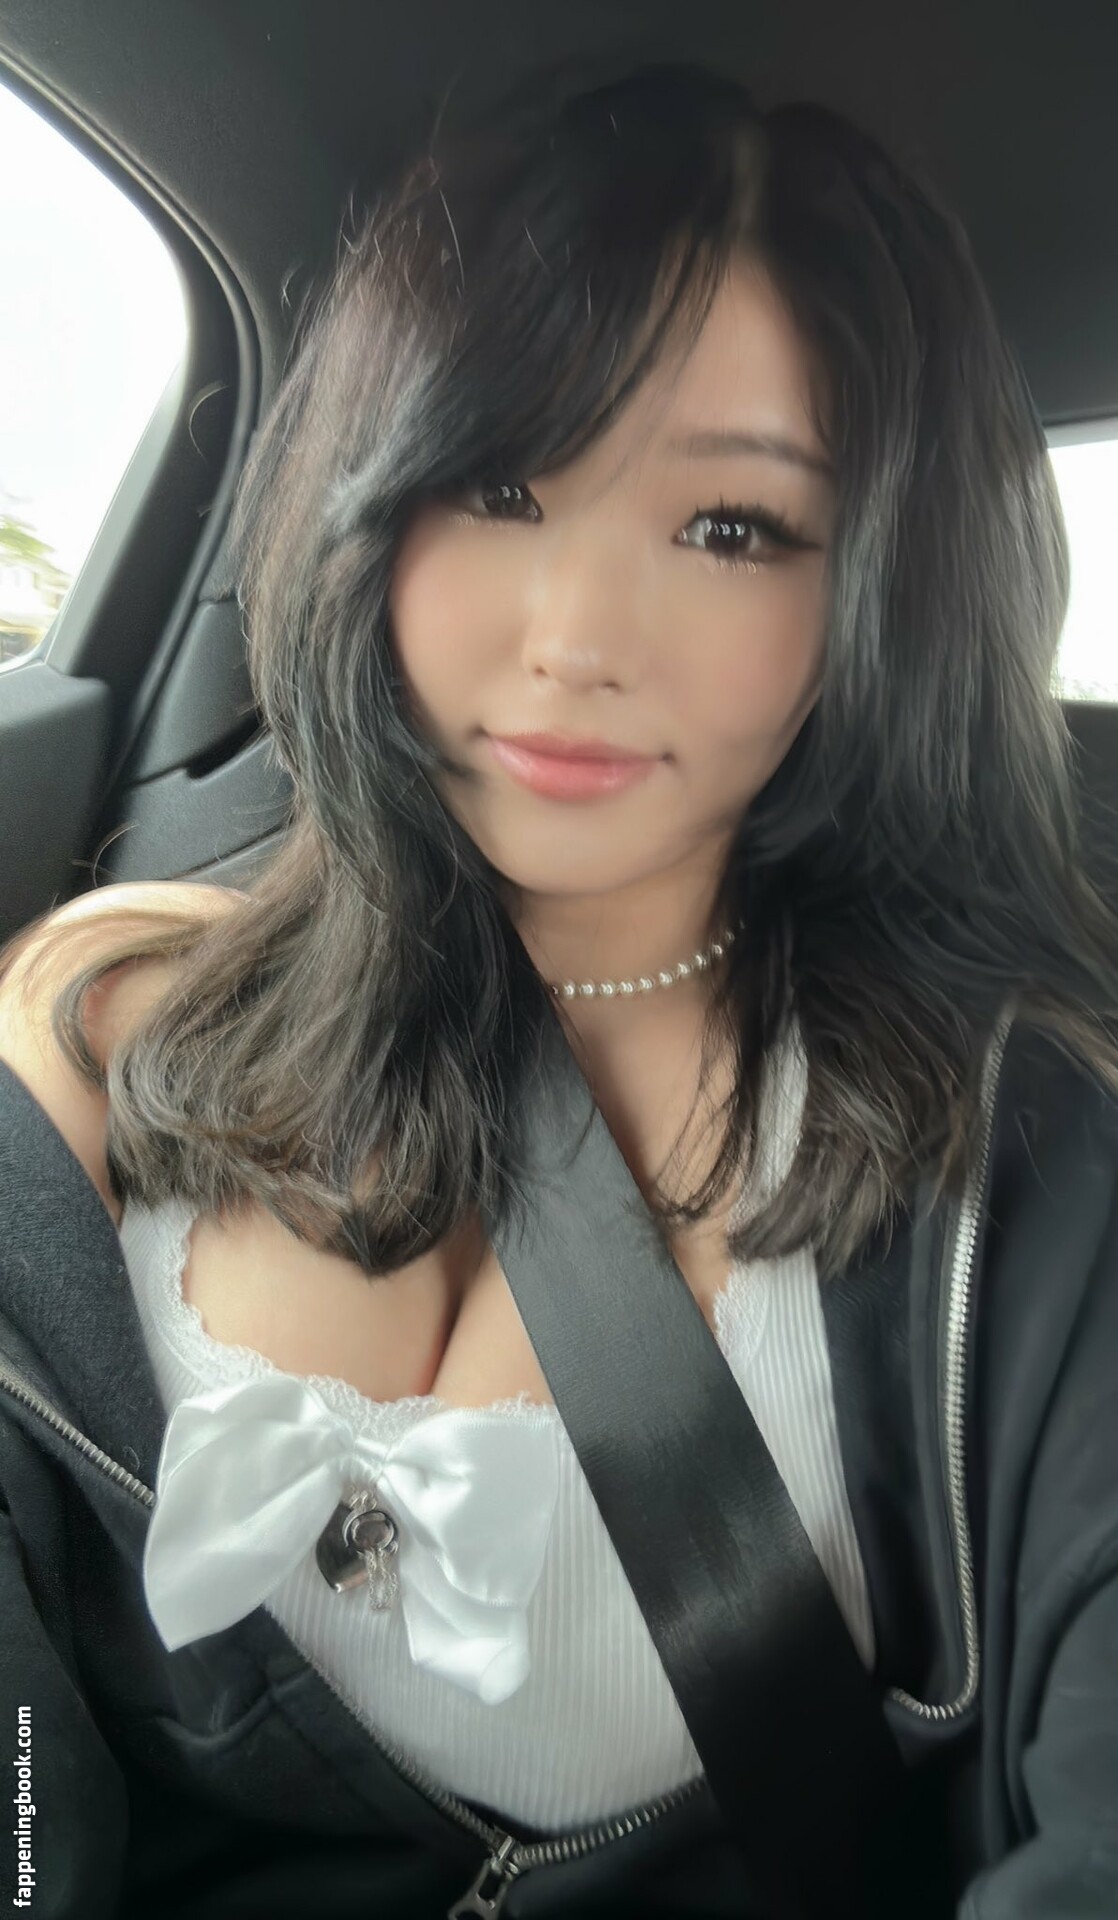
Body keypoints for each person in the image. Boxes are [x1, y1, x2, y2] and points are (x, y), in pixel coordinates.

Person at [1, 55, 1117, 1920]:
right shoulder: (98, 1022)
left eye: (730, 527)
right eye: (500, 483)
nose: (578, 640)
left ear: (871, 596)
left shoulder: (1013, 1169)